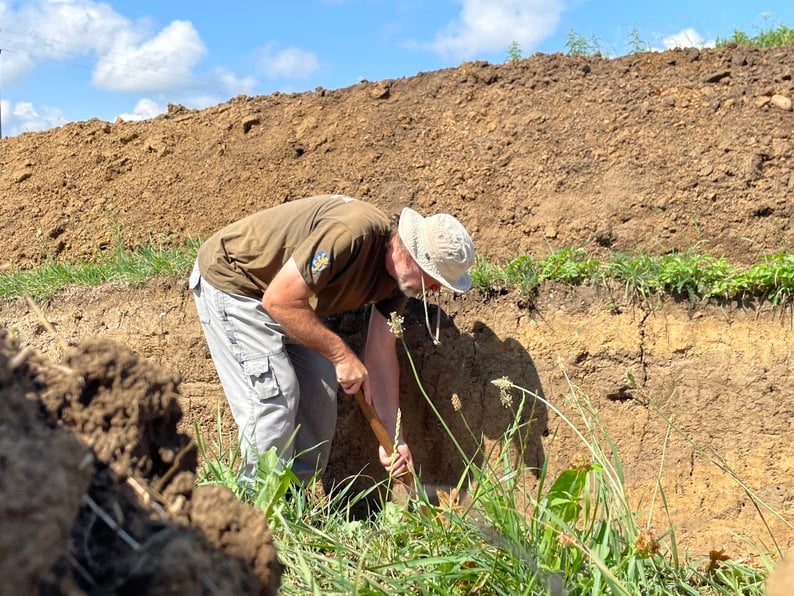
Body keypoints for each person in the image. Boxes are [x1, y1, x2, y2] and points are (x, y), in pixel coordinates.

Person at [189, 194, 475, 483]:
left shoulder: (399, 284)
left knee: (321, 391)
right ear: (407, 254)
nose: (437, 289)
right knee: (276, 396)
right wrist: (340, 354)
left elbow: (380, 354)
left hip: (284, 301)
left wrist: (392, 436)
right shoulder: (352, 235)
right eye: (434, 278)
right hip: (236, 284)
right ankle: (256, 506)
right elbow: (280, 300)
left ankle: (290, 503)